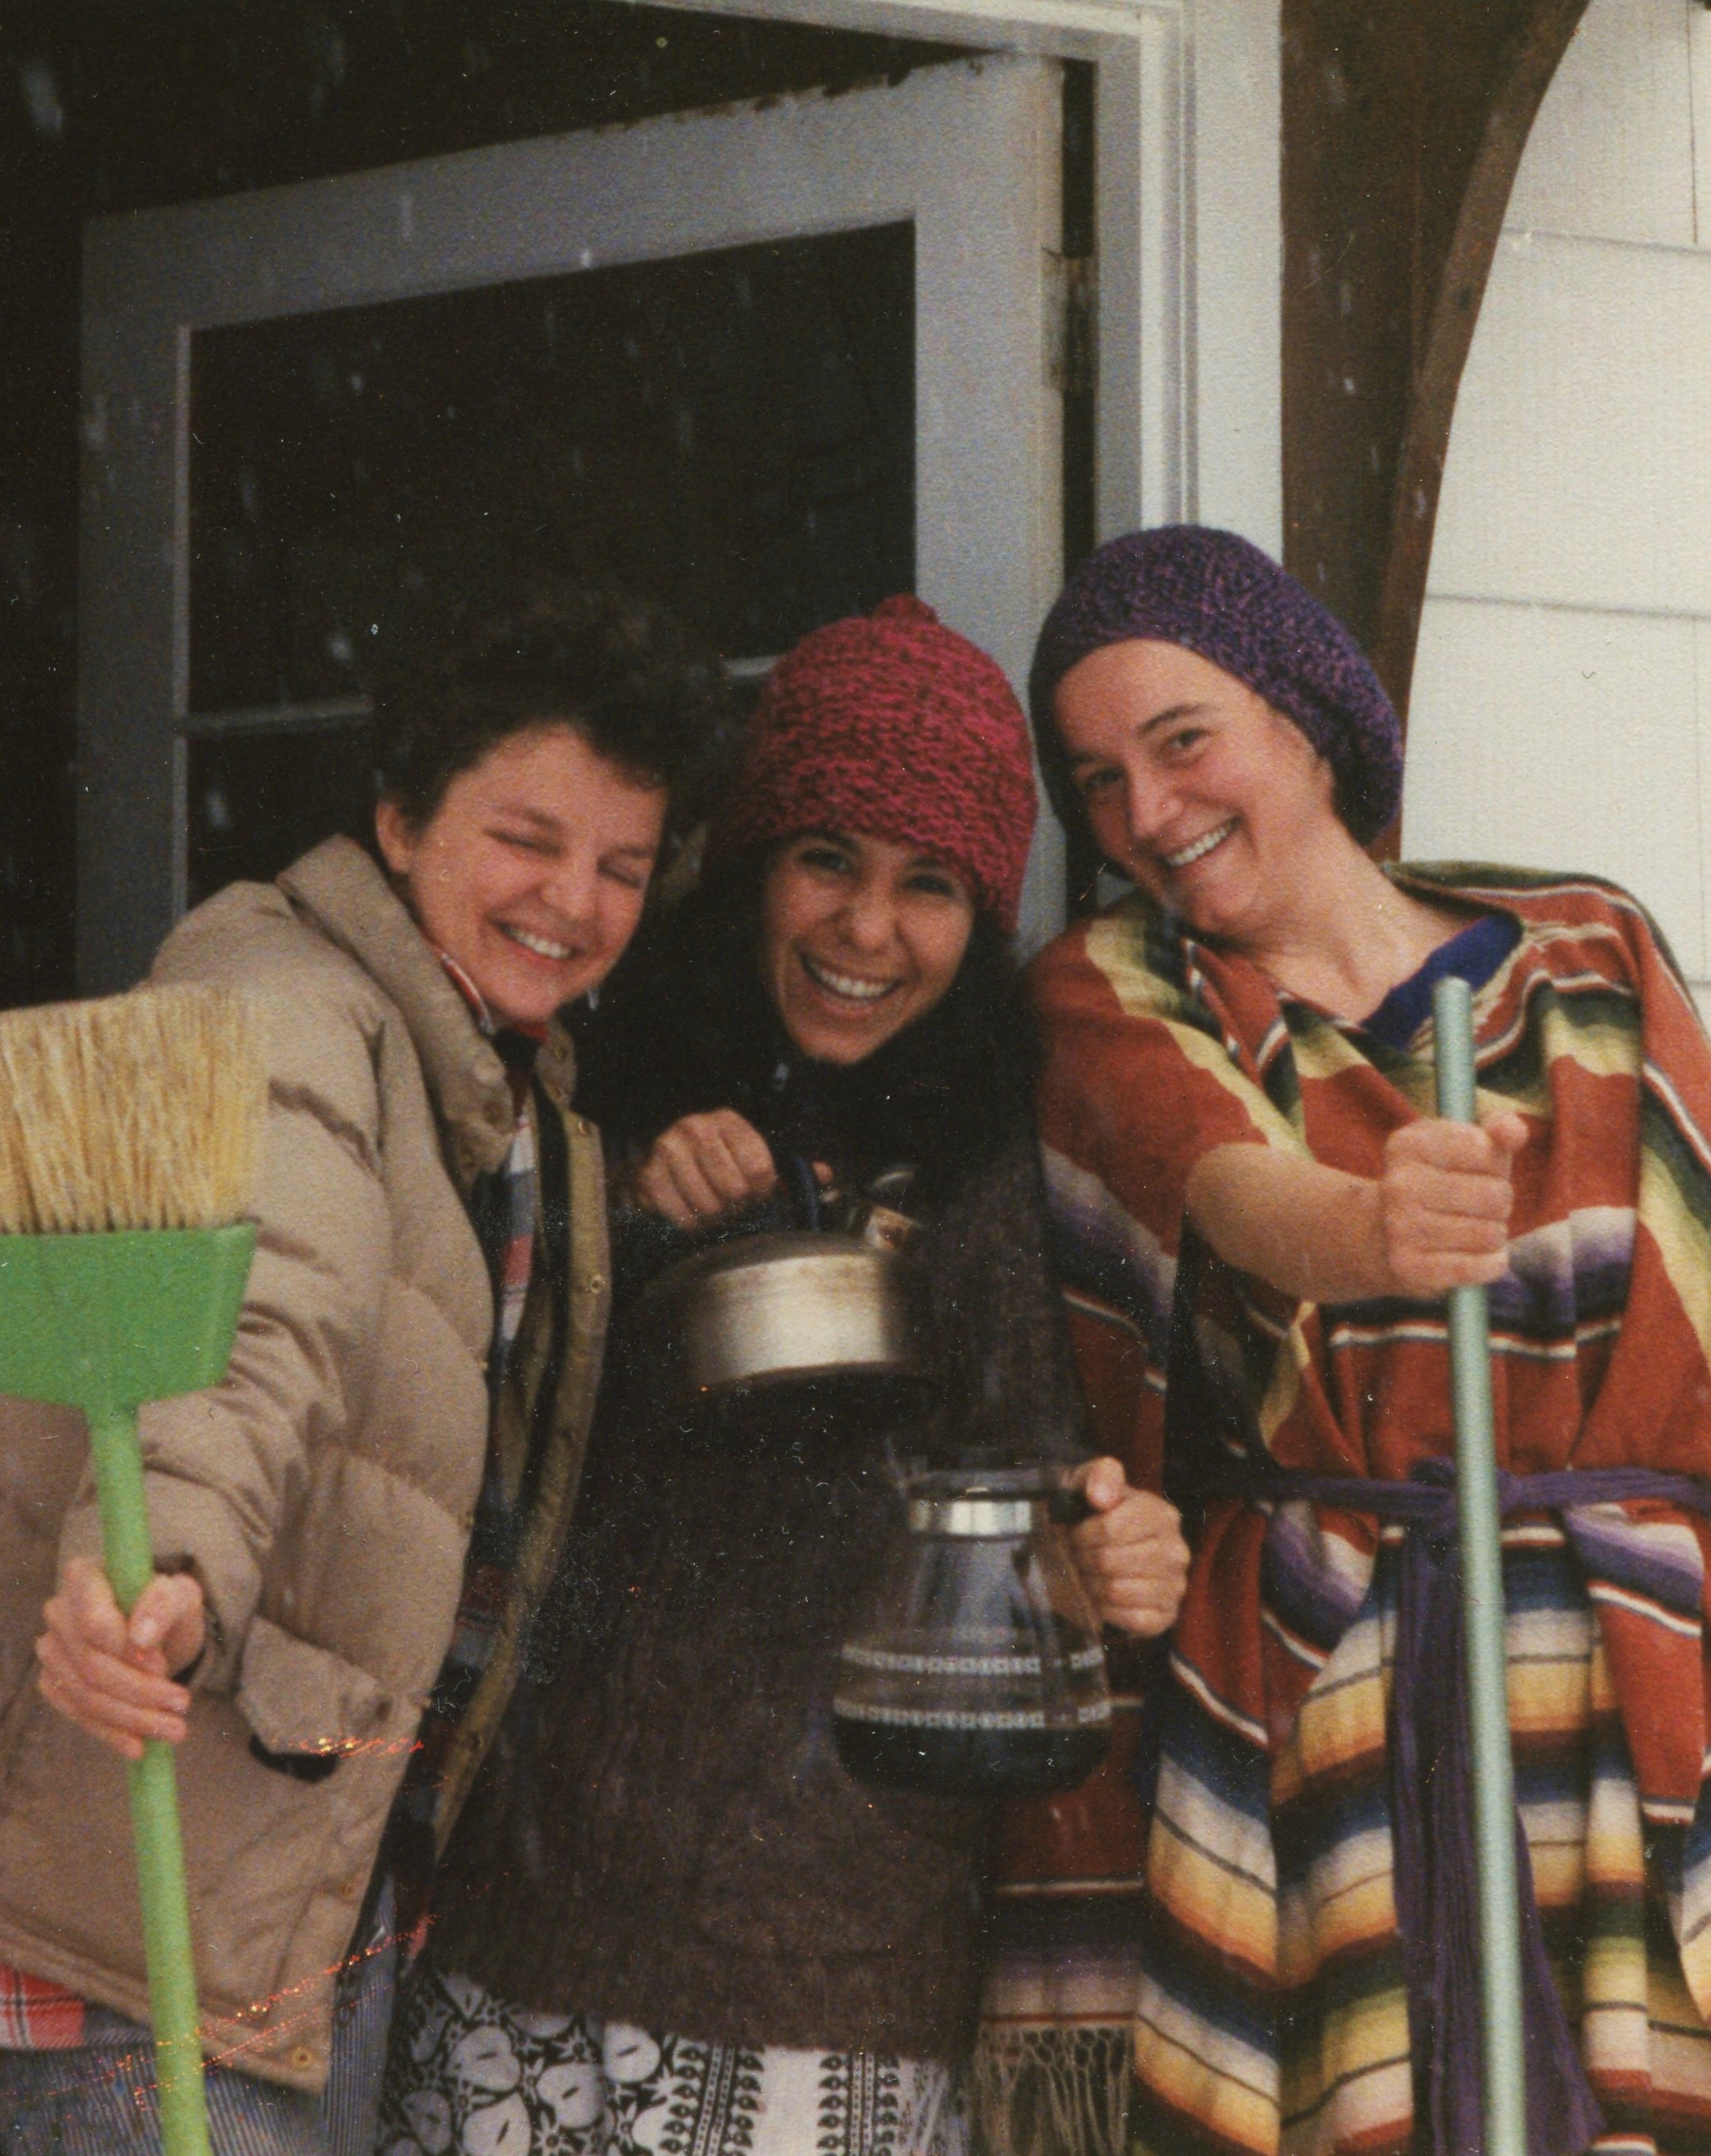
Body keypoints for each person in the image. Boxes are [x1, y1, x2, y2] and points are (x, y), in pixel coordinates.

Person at [1019, 526, 1711, 2156]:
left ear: (1303, 716)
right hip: (1333, 1677)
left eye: (1181, 741)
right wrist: (1371, 1234)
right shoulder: (1121, 983)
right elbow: (1219, 1181)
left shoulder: (1591, 954)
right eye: (1095, 783)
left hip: (1630, 1655)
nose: (1145, 814)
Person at [0, 583, 741, 2156]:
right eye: (526, 837)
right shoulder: (284, 1013)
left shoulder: (480, 1070)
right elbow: (253, 1306)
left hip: (280, 1895)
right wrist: (165, 1570)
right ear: (402, 819)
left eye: (621, 864)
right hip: (151, 1918)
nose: (573, 897)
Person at [383, 596, 1193, 2156]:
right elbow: (449, 1428)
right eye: (827, 859)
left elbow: (1038, 1517)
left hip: (837, 1969)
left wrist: (1108, 1552)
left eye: (929, 886)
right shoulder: (583, 1077)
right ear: (753, 862)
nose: (865, 929)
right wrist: (618, 1209)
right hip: (528, 1935)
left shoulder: (1001, 1171)